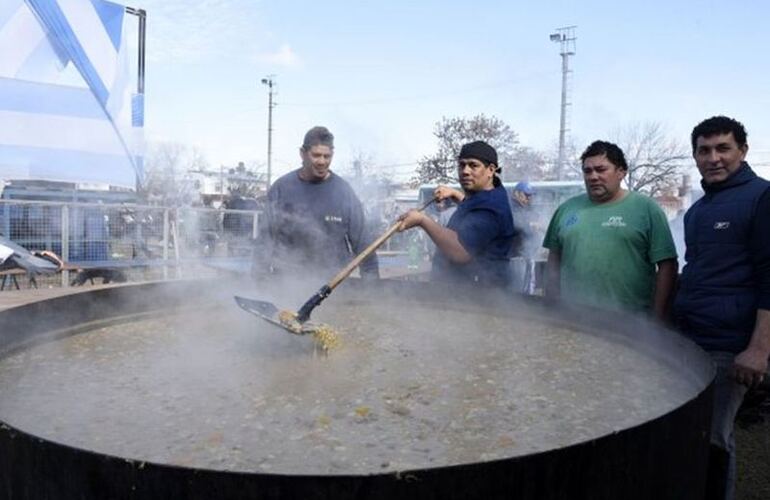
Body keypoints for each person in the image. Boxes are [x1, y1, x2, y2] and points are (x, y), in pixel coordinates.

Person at [673, 116, 770, 500]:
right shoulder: (699, 210)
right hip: (691, 337)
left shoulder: (762, 198)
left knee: (713, 438)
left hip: (730, 346)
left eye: (723, 148)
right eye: (704, 150)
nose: (713, 158)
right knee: (689, 432)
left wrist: (759, 349)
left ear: (743, 151)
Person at [543, 140, 678, 319]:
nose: (593, 176)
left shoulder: (646, 209)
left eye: (601, 169)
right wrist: (550, 307)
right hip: (572, 317)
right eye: (587, 171)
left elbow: (667, 265)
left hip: (631, 321)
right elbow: (554, 260)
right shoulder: (566, 209)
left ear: (621, 172)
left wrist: (658, 318)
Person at [256, 126, 379, 278]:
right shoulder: (281, 188)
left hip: (333, 283)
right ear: (302, 154)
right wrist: (259, 281)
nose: (322, 162)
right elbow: (264, 240)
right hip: (287, 281)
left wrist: (373, 287)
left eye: (327, 156)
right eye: (316, 155)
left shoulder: (343, 191)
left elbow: (364, 244)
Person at [397, 141, 514, 288]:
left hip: (478, 298)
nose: (465, 171)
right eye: (462, 165)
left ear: (490, 170)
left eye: (473, 165)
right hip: (463, 290)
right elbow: (474, 213)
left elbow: (460, 252)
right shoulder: (488, 196)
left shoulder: (491, 208)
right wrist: (456, 194)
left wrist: (422, 220)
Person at [510, 181, 539, 294]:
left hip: (524, 254)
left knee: (527, 288)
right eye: (527, 195)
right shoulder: (511, 206)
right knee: (517, 289)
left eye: (531, 195)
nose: (529, 198)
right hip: (515, 256)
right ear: (517, 193)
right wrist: (531, 225)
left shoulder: (525, 208)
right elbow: (515, 223)